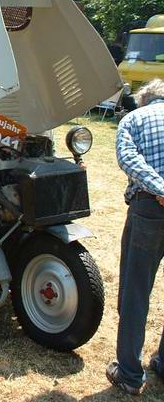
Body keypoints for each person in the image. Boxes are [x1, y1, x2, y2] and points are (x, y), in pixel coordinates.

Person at [107, 78, 164, 395]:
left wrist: (159, 187)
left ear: (144, 100)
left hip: (149, 211)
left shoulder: (134, 118)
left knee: (135, 292)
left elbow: (128, 159)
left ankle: (129, 373)